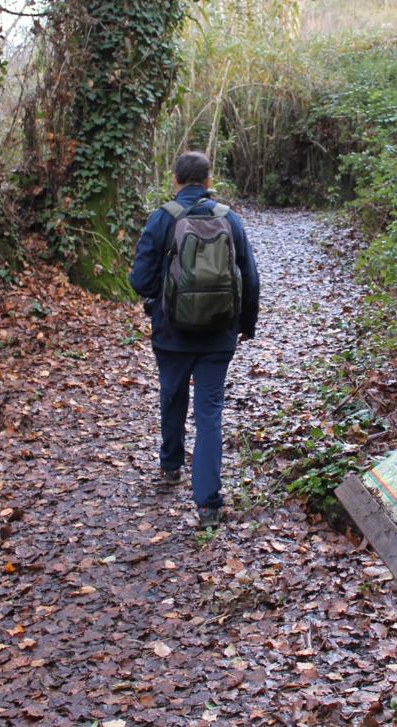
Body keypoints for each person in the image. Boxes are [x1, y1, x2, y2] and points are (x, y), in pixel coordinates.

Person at [129, 152, 260, 528]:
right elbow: (249, 278)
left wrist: (163, 300)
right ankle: (208, 505)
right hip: (219, 334)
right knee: (209, 413)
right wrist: (244, 324)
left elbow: (139, 280)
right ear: (207, 180)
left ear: (175, 179)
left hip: (171, 334)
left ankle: (171, 466)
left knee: (171, 396)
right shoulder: (228, 218)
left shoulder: (163, 218)